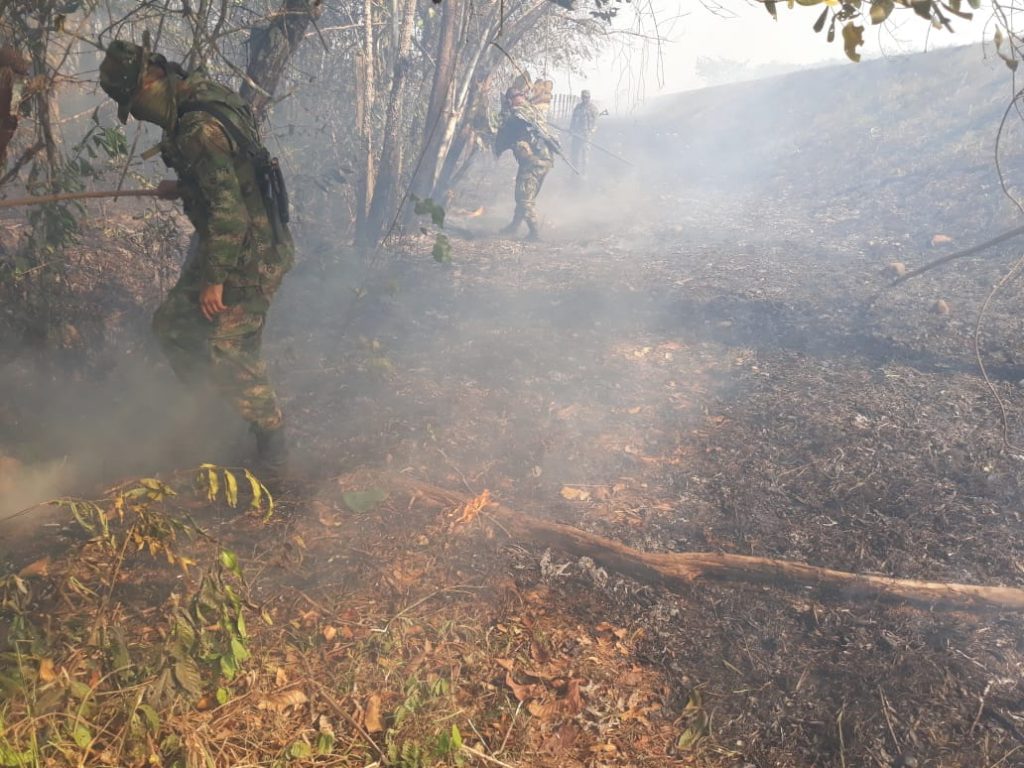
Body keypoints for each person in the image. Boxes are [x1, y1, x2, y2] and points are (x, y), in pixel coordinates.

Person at [98, 40, 294, 472]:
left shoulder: (196, 129)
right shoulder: (201, 94)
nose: (139, 112)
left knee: (230, 349)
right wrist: (184, 188)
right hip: (236, 244)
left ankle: (273, 452)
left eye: (134, 101)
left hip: (250, 254)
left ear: (150, 81)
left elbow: (231, 213)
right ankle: (218, 414)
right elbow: (231, 176)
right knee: (173, 326)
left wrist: (215, 280)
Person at [494, 86, 555, 240]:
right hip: (538, 160)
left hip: (534, 161)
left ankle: (535, 233)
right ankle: (514, 226)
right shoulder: (531, 110)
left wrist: (504, 112)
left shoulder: (519, 113)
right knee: (523, 193)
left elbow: (503, 124)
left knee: (524, 198)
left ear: (511, 99)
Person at [569, 90, 598, 177]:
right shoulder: (578, 107)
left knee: (585, 157)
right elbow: (573, 120)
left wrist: (590, 133)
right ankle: (574, 173)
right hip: (576, 135)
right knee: (575, 155)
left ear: (589, 97)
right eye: (584, 97)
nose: (585, 99)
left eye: (587, 97)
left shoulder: (593, 109)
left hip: (586, 136)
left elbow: (596, 124)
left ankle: (584, 174)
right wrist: (571, 130)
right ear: (582, 97)